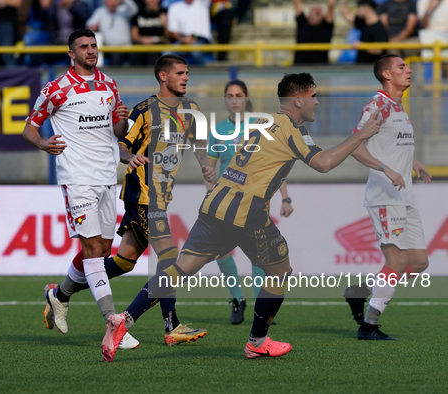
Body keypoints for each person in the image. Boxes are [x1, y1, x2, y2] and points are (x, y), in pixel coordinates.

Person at [102, 72, 386, 361]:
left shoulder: (263, 122)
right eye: (313, 96)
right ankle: (257, 341)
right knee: (279, 271)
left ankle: (124, 319)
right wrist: (361, 136)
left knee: (179, 269)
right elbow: (323, 163)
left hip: (215, 205)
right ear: (298, 100)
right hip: (246, 212)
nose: (317, 101)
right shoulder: (293, 130)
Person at [42, 54, 215, 360]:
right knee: (171, 260)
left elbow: (198, 141)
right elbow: (121, 143)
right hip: (142, 194)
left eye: (187, 73)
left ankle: (60, 293)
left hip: (161, 197)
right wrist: (129, 157)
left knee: (125, 261)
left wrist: (205, 166)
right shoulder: (145, 110)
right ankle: (169, 325)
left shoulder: (191, 109)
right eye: (180, 73)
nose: (186, 78)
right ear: (163, 76)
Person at [22, 29, 130, 361]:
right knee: (92, 250)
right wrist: (43, 144)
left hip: (107, 177)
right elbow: (29, 126)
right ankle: (113, 323)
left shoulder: (109, 84)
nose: (90, 51)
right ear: (72, 53)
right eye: (83, 47)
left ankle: (59, 295)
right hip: (76, 178)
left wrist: (123, 124)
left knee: (101, 251)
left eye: (94, 46)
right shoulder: (56, 89)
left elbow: (116, 131)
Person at [343, 54, 431, 340]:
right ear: (386, 75)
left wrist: (414, 163)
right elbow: (355, 146)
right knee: (396, 259)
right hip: (384, 196)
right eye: (402, 67)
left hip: (405, 197)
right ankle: (369, 325)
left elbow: (392, 143)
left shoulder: (398, 107)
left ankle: (362, 289)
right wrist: (385, 168)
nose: (409, 70)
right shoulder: (377, 105)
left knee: (418, 263)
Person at [207, 79, 294, 325]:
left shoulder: (261, 127)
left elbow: (275, 168)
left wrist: (285, 198)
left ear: (246, 98)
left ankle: (261, 308)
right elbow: (209, 169)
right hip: (225, 201)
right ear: (225, 99)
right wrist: (209, 190)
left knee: (259, 257)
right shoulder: (217, 131)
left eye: (238, 95)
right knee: (222, 253)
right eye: (230, 96)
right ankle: (237, 299)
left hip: (256, 201)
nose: (234, 100)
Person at [86, 0, 138, 65]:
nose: (112, 3)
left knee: (137, 55)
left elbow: (135, 9)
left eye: (114, 1)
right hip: (108, 48)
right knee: (115, 56)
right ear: (105, 2)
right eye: (110, 1)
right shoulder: (100, 12)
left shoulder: (123, 11)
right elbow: (89, 24)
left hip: (126, 47)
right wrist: (93, 26)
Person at [166, 0, 212, 65]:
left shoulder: (202, 2)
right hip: (183, 40)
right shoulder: (174, 7)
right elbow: (173, 31)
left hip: (201, 39)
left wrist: (192, 38)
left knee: (196, 52)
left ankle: (202, 74)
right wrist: (183, 39)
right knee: (167, 53)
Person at [293, 0, 335, 64]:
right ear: (308, 15)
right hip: (300, 67)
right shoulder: (302, 23)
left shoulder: (326, 27)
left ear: (324, 16)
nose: (317, 10)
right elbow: (298, 2)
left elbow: (331, 6)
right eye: (314, 9)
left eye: (320, 10)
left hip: (321, 68)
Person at [130, 0, 168, 66]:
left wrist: (165, 24)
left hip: (159, 44)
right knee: (136, 50)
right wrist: (143, 40)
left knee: (152, 51)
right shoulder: (139, 13)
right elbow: (135, 36)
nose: (152, 1)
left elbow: (169, 38)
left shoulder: (165, 13)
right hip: (142, 43)